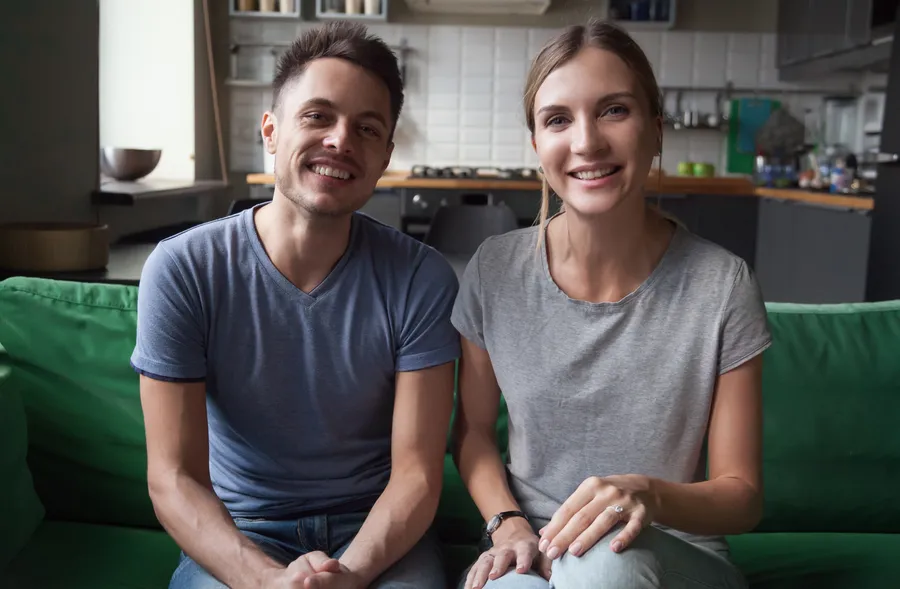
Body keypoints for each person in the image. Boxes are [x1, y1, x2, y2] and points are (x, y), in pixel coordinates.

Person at [132, 22, 459, 589]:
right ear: (272, 131)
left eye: (367, 128)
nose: (340, 140)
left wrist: (350, 574)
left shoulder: (421, 278)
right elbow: (173, 477)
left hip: (377, 531)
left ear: (384, 156)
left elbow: (416, 474)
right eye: (318, 116)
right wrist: (265, 581)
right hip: (240, 531)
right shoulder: (182, 269)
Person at [451, 20, 772, 589]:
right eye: (557, 120)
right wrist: (508, 526)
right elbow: (473, 433)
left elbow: (741, 496)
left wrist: (645, 495)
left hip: (668, 554)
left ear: (656, 129)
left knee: (605, 567)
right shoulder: (494, 271)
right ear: (536, 146)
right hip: (536, 547)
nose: (586, 142)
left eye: (614, 111)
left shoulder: (722, 284)